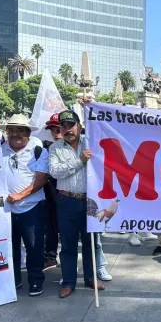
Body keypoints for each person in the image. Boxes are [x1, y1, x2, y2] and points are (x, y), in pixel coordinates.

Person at [49, 110, 105, 298]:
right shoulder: (55, 148)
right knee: (68, 245)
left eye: (71, 125)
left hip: (89, 200)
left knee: (91, 242)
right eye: (63, 126)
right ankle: (69, 281)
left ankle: (91, 277)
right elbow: (55, 173)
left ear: (79, 126)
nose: (67, 129)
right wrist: (80, 161)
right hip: (66, 200)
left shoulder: (91, 143)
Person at [1, 114, 49, 296]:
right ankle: (14, 280)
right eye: (11, 130)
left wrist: (20, 195)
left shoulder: (38, 150)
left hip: (32, 207)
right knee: (10, 247)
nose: (15, 134)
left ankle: (36, 280)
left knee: (34, 246)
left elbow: (41, 179)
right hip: (6, 209)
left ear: (28, 133)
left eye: (20, 130)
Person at [42, 113, 63, 268]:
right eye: (53, 130)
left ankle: (69, 260)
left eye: (59, 129)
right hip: (50, 195)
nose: (56, 134)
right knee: (50, 227)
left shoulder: (79, 148)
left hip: (71, 196)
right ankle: (50, 255)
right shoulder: (44, 149)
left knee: (68, 231)